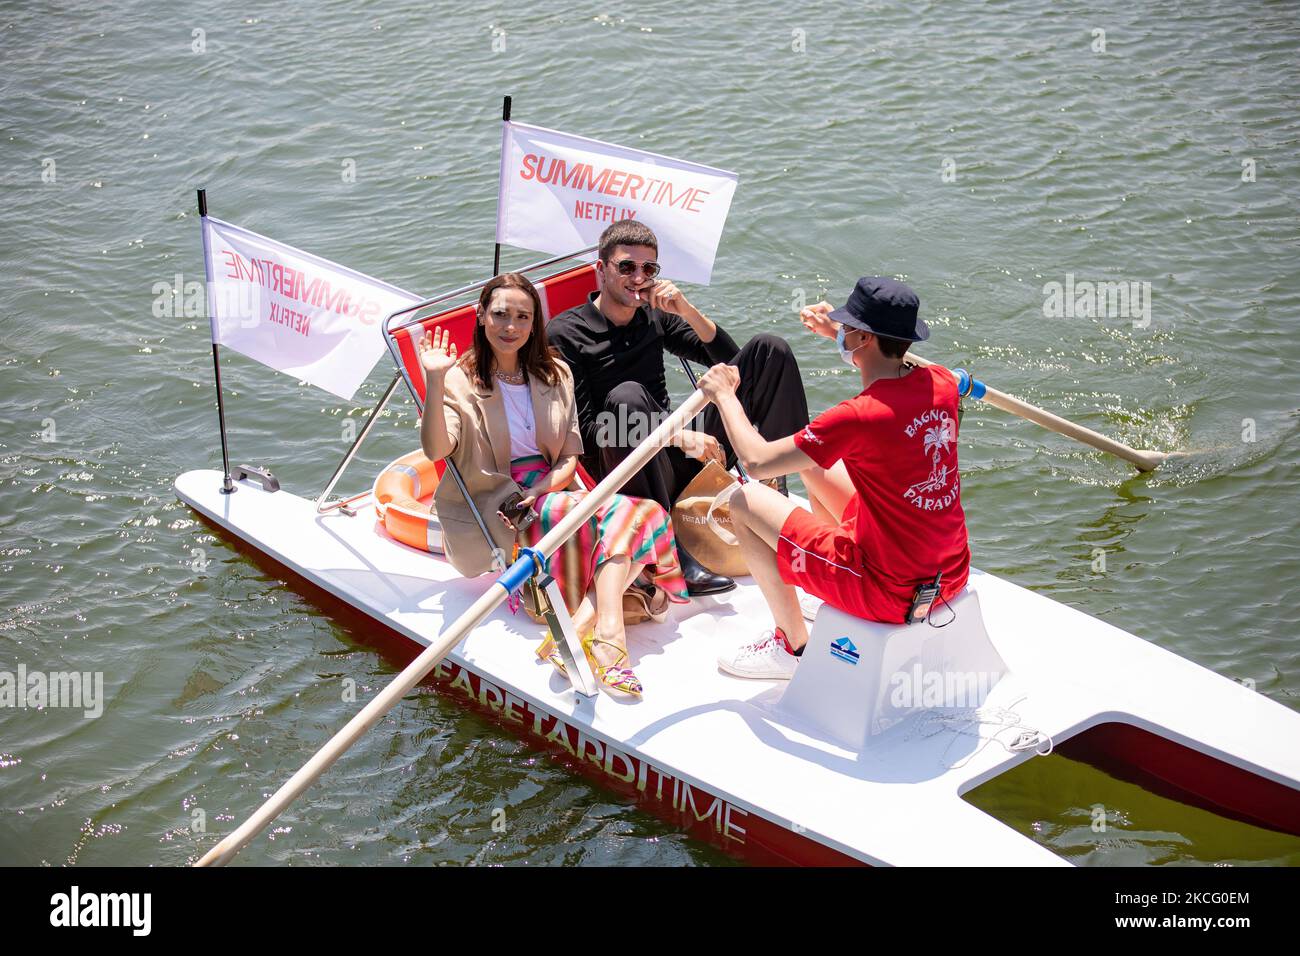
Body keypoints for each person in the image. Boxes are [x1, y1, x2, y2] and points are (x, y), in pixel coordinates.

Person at [417, 272, 689, 697]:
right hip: (500, 507)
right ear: (481, 316)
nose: (511, 327)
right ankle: (609, 636)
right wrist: (434, 380)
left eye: (523, 317)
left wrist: (546, 485)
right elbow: (437, 449)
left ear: (534, 322)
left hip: (549, 492)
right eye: (501, 314)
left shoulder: (554, 372)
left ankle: (591, 627)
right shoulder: (458, 379)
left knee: (648, 511)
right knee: (634, 516)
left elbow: (568, 455)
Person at [698, 277, 971, 680]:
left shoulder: (857, 416)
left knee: (744, 499)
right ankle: (825, 584)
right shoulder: (944, 384)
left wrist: (724, 395)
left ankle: (791, 645)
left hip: (891, 594)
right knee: (810, 462)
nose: (840, 334)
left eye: (847, 329)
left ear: (863, 337)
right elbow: (904, 371)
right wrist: (838, 334)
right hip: (950, 573)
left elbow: (755, 461)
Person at [546, 220, 811, 596]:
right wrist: (677, 435)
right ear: (601, 269)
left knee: (770, 350)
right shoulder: (565, 333)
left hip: (677, 456)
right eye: (626, 267)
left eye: (648, 269)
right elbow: (586, 433)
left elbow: (733, 365)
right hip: (624, 465)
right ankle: (670, 552)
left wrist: (685, 310)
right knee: (627, 395)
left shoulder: (653, 315)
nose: (638, 277)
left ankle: (775, 495)